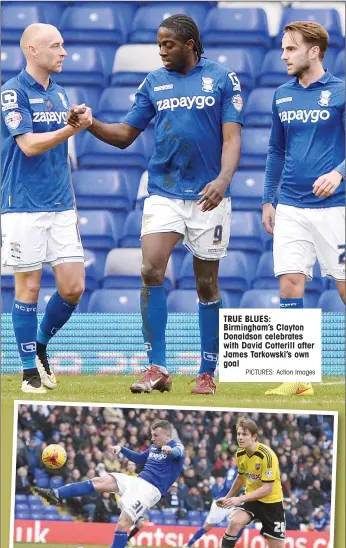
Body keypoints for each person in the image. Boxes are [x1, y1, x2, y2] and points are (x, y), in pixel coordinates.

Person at [68, 14, 243, 395]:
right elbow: (125, 136)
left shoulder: (223, 78)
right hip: (164, 191)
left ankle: (207, 371)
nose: (162, 51)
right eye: (159, 44)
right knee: (150, 269)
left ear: (190, 46)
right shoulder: (153, 83)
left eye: (169, 44)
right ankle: (158, 366)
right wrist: (91, 123)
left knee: (206, 283)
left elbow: (232, 138)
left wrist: (223, 180)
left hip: (208, 196)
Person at [1, 23, 91, 393]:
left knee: (73, 287)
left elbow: (57, 150)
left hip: (60, 204)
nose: (64, 52)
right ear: (32, 51)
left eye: (64, 45)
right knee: (29, 286)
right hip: (23, 205)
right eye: (56, 46)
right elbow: (29, 145)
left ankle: (39, 345)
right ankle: (28, 373)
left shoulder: (60, 92)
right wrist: (72, 129)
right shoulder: (12, 93)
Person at [261, 21, 345, 397]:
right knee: (290, 283)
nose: (283, 55)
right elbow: (276, 151)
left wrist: (339, 173)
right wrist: (268, 198)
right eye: (282, 48)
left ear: (314, 52)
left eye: (290, 49)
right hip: (291, 205)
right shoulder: (281, 95)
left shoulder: (342, 92)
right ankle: (297, 378)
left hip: (334, 208)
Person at [34, 420, 185, 548]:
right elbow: (140, 458)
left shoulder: (177, 447)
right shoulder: (154, 447)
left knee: (122, 524)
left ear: (167, 435)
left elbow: (178, 453)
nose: (152, 439)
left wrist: (170, 450)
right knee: (98, 481)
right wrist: (122, 449)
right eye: (152, 435)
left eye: (156, 435)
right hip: (137, 481)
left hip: (151, 490)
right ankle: (55, 494)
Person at [211, 417, 308, 548]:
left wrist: (239, 499)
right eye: (239, 434)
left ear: (254, 436)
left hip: (271, 503)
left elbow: (267, 489)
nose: (240, 437)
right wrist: (228, 498)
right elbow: (241, 478)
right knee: (234, 522)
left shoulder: (267, 456)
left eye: (244, 434)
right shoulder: (240, 453)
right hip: (252, 500)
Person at [183, 467, 242, 548]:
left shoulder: (248, 470)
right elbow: (229, 484)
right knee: (207, 527)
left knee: (240, 523)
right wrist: (242, 489)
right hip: (222, 501)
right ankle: (188, 545)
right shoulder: (233, 470)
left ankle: (231, 546)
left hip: (233, 502)